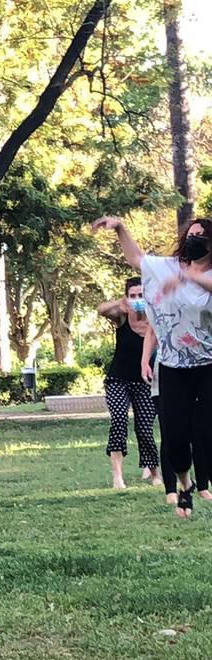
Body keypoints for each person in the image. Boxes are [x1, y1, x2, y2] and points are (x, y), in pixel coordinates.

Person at [95, 215, 212, 516]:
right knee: (174, 436)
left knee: (203, 431)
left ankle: (201, 484)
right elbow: (136, 258)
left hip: (208, 366)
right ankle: (184, 484)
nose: (194, 239)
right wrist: (120, 228)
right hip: (172, 367)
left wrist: (189, 278)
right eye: (191, 234)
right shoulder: (168, 267)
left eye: (202, 236)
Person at [96, 277, 161, 490]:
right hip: (118, 380)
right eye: (133, 296)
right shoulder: (122, 317)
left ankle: (154, 474)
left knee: (144, 429)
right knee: (119, 421)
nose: (137, 299)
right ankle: (117, 477)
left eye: (141, 295)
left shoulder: (156, 319)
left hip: (144, 382)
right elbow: (101, 309)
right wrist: (120, 302)